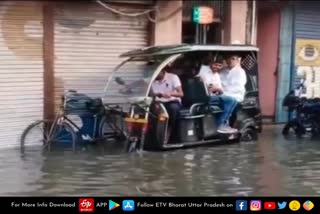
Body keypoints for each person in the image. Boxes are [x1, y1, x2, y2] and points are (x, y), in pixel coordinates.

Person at [197, 57, 239, 133]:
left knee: (234, 100)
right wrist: (217, 89)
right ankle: (220, 124)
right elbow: (209, 89)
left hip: (215, 96)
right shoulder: (204, 72)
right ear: (211, 64)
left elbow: (220, 90)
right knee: (230, 100)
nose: (217, 67)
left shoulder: (216, 75)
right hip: (206, 96)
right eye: (215, 65)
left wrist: (217, 89)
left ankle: (224, 123)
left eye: (219, 66)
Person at [150, 66, 184, 143]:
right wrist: (128, 87)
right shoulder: (151, 78)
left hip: (171, 101)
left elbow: (181, 93)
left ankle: (172, 134)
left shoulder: (173, 77)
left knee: (173, 109)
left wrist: (170, 93)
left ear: (162, 70)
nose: (155, 75)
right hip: (157, 102)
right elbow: (140, 82)